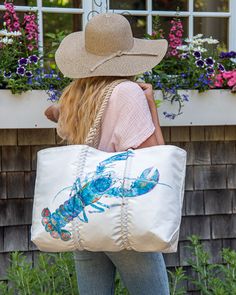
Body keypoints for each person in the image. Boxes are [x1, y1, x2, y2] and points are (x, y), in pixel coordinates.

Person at [45, 12, 170, 295]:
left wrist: (61, 110)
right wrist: (150, 106)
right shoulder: (128, 92)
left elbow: (52, 113)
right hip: (122, 221)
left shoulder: (76, 94)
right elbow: (154, 157)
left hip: (81, 218)